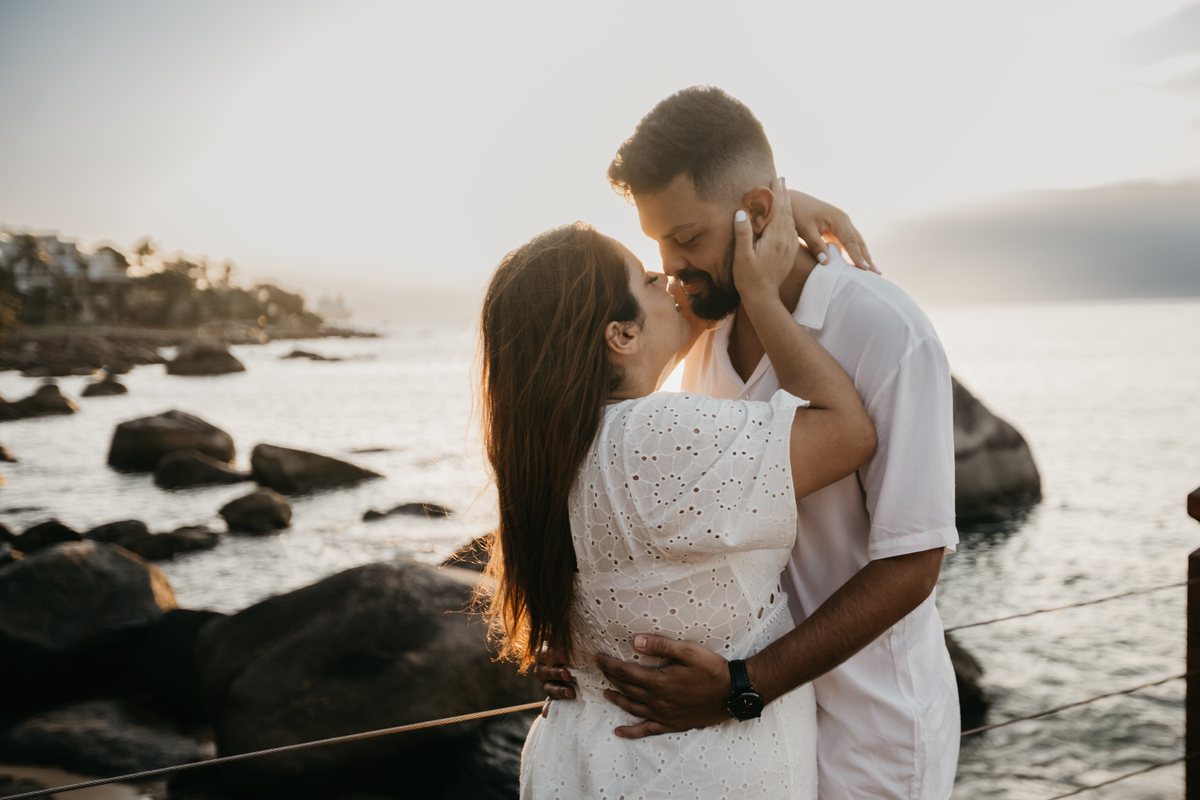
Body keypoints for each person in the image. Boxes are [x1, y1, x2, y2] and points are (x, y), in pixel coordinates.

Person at [537, 86, 961, 799]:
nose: (671, 266)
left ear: (758, 214)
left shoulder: (885, 331)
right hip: (751, 743)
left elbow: (913, 565)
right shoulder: (703, 337)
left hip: (872, 732)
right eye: (658, 245)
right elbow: (604, 463)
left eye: (687, 237)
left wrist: (743, 685)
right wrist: (570, 637)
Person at [478, 179, 877, 798]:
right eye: (646, 279)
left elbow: (693, 304)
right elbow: (848, 431)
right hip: (696, 774)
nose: (670, 284)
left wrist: (770, 208)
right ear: (620, 335)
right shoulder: (656, 434)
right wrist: (763, 293)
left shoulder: (543, 455)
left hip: (576, 765)